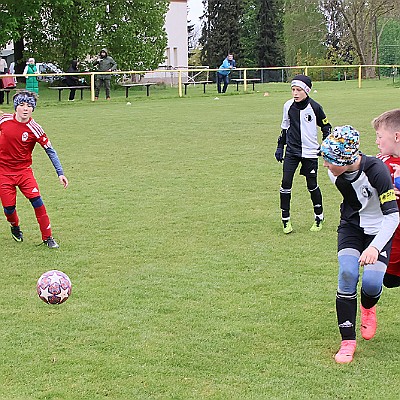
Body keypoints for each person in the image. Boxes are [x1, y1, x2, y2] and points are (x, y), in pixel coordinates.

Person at [320, 125, 399, 364]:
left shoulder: (377, 172)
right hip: (351, 228)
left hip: (379, 231)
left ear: (345, 160)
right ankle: (347, 342)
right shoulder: (335, 170)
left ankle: (368, 307)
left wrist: (375, 247)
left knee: (373, 283)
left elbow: (393, 215)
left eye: (330, 160)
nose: (325, 165)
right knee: (347, 273)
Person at [0, 90, 69, 248]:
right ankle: (15, 226)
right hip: (3, 172)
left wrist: (60, 173)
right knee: (9, 209)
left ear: (33, 109)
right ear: (16, 107)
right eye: (22, 105)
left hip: (24, 172)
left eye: (29, 106)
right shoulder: (4, 120)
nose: (25, 108)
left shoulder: (35, 128)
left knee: (38, 203)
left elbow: (50, 150)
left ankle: (48, 237)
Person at [275, 74, 331, 234]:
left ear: (306, 90)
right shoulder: (288, 106)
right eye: (293, 89)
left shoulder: (315, 107)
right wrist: (280, 146)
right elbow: (285, 128)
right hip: (292, 151)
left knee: (312, 185)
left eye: (298, 90)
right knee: (285, 183)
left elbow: (327, 127)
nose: (295, 93)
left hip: (310, 152)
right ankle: (285, 220)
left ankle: (319, 217)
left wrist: (324, 146)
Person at [374, 109, 400, 288]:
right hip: (392, 238)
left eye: (380, 136)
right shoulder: (381, 164)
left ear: (396, 136)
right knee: (386, 280)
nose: (376, 142)